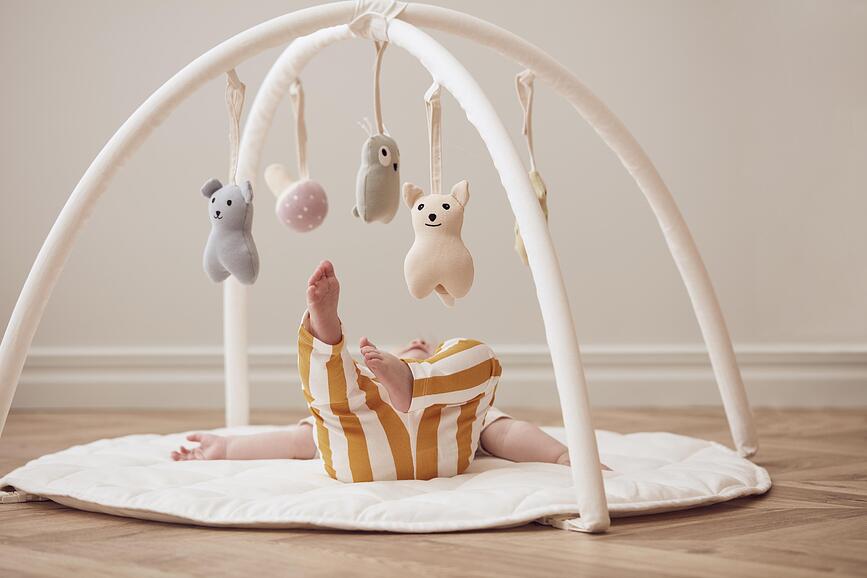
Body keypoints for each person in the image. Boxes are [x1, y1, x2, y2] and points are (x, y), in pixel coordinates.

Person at [172, 261, 603, 480]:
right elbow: (509, 434)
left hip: (381, 452)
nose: (418, 342)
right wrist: (226, 446)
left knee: (473, 357)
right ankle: (329, 336)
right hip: (380, 437)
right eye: (410, 348)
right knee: (478, 359)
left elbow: (295, 441)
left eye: (424, 348)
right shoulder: (363, 397)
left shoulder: (462, 407)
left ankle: (346, 348)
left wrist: (562, 457)